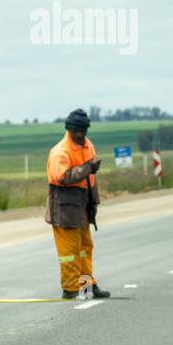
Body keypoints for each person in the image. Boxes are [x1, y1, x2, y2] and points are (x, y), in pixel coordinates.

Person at [46, 108, 110, 299]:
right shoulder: (60, 152)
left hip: (82, 205)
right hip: (64, 208)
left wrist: (93, 202)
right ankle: (70, 289)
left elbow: (89, 176)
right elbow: (63, 176)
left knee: (85, 249)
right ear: (69, 130)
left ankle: (86, 286)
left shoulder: (87, 146)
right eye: (77, 131)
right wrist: (87, 169)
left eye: (84, 130)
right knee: (69, 252)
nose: (81, 134)